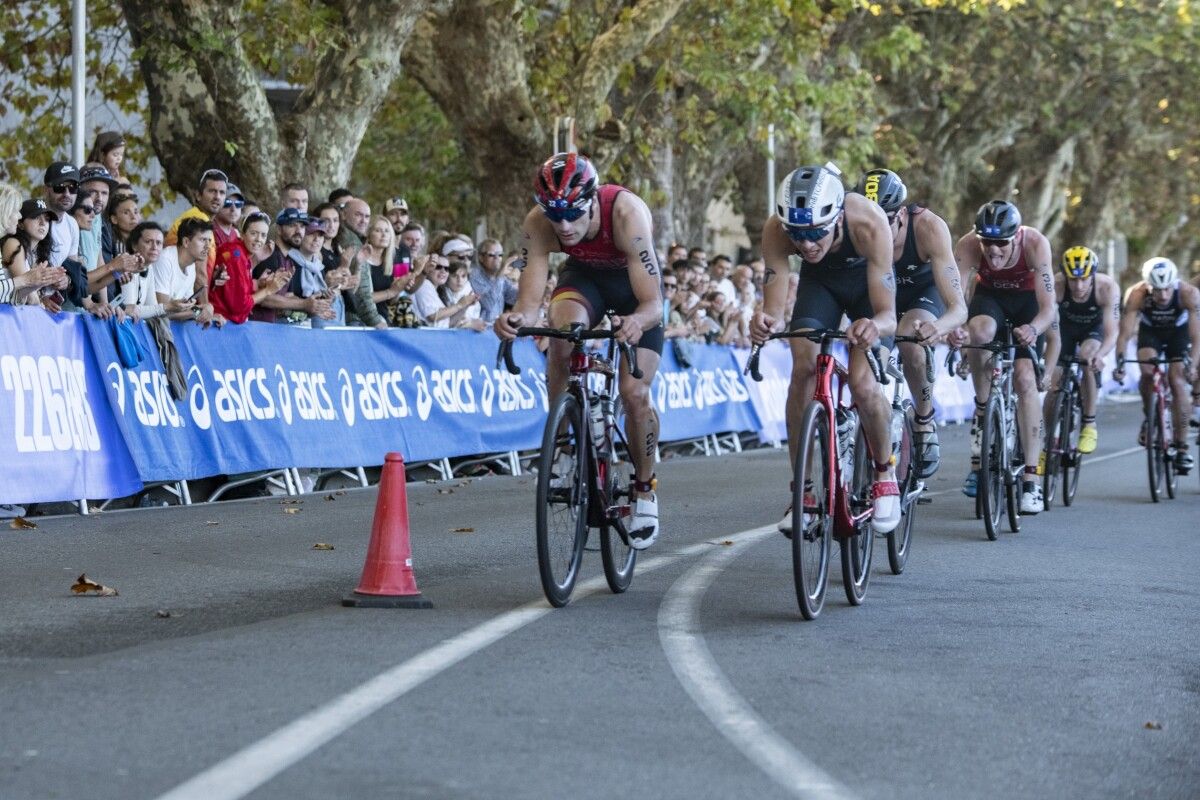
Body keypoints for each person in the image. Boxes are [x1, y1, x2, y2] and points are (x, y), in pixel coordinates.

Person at [495, 152, 665, 549]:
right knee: (560, 334)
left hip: (634, 291)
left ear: (590, 200)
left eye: (573, 213)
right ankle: (566, 443)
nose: (565, 226)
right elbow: (529, 299)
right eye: (556, 215)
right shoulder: (540, 223)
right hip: (584, 279)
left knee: (634, 392)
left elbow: (653, 305)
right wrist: (516, 320)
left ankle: (644, 487)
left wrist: (637, 322)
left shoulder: (626, 215)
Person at [751, 162, 900, 536]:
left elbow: (888, 315)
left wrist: (873, 326)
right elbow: (773, 308)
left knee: (865, 386)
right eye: (797, 234)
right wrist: (765, 321)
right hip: (822, 288)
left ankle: (885, 472)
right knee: (802, 369)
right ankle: (802, 492)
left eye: (816, 232)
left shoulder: (869, 222)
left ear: (836, 216)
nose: (806, 244)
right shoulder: (776, 229)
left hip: (867, 290)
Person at [855, 168, 968, 478]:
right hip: (879, 295)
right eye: (869, 222)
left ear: (902, 214)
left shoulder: (929, 228)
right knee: (867, 353)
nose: (875, 231)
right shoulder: (855, 228)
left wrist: (939, 327)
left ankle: (923, 419)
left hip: (921, 293)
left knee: (910, 340)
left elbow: (959, 308)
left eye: (885, 221)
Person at [951, 200, 1056, 513]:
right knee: (979, 332)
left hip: (1028, 304)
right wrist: (957, 330)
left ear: (1016, 237)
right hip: (990, 300)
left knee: (1025, 379)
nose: (993, 252)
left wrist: (1034, 330)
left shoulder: (1036, 244)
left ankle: (1031, 479)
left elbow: (1049, 308)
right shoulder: (968, 245)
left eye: (1001, 244)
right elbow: (953, 294)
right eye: (987, 243)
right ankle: (984, 410)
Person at [1113, 257, 1200, 473]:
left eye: (1167, 289)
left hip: (1178, 335)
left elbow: (1197, 339)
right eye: (1157, 290)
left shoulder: (1189, 294)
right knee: (1148, 372)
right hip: (1151, 333)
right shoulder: (1136, 294)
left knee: (1178, 381)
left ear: (1175, 283)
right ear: (1147, 285)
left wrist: (1192, 365)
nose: (1162, 295)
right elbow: (1123, 336)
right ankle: (1150, 415)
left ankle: (1181, 447)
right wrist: (1120, 363)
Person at [1039, 246, 1120, 456]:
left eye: (1084, 279)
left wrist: (1101, 355)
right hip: (1064, 329)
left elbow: (1112, 333)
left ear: (1093, 275)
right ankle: (1049, 440)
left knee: (1088, 357)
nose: (1079, 285)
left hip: (1093, 330)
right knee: (1055, 380)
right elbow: (1044, 318)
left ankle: (1089, 424)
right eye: (1073, 280)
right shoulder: (1055, 285)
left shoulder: (1107, 288)